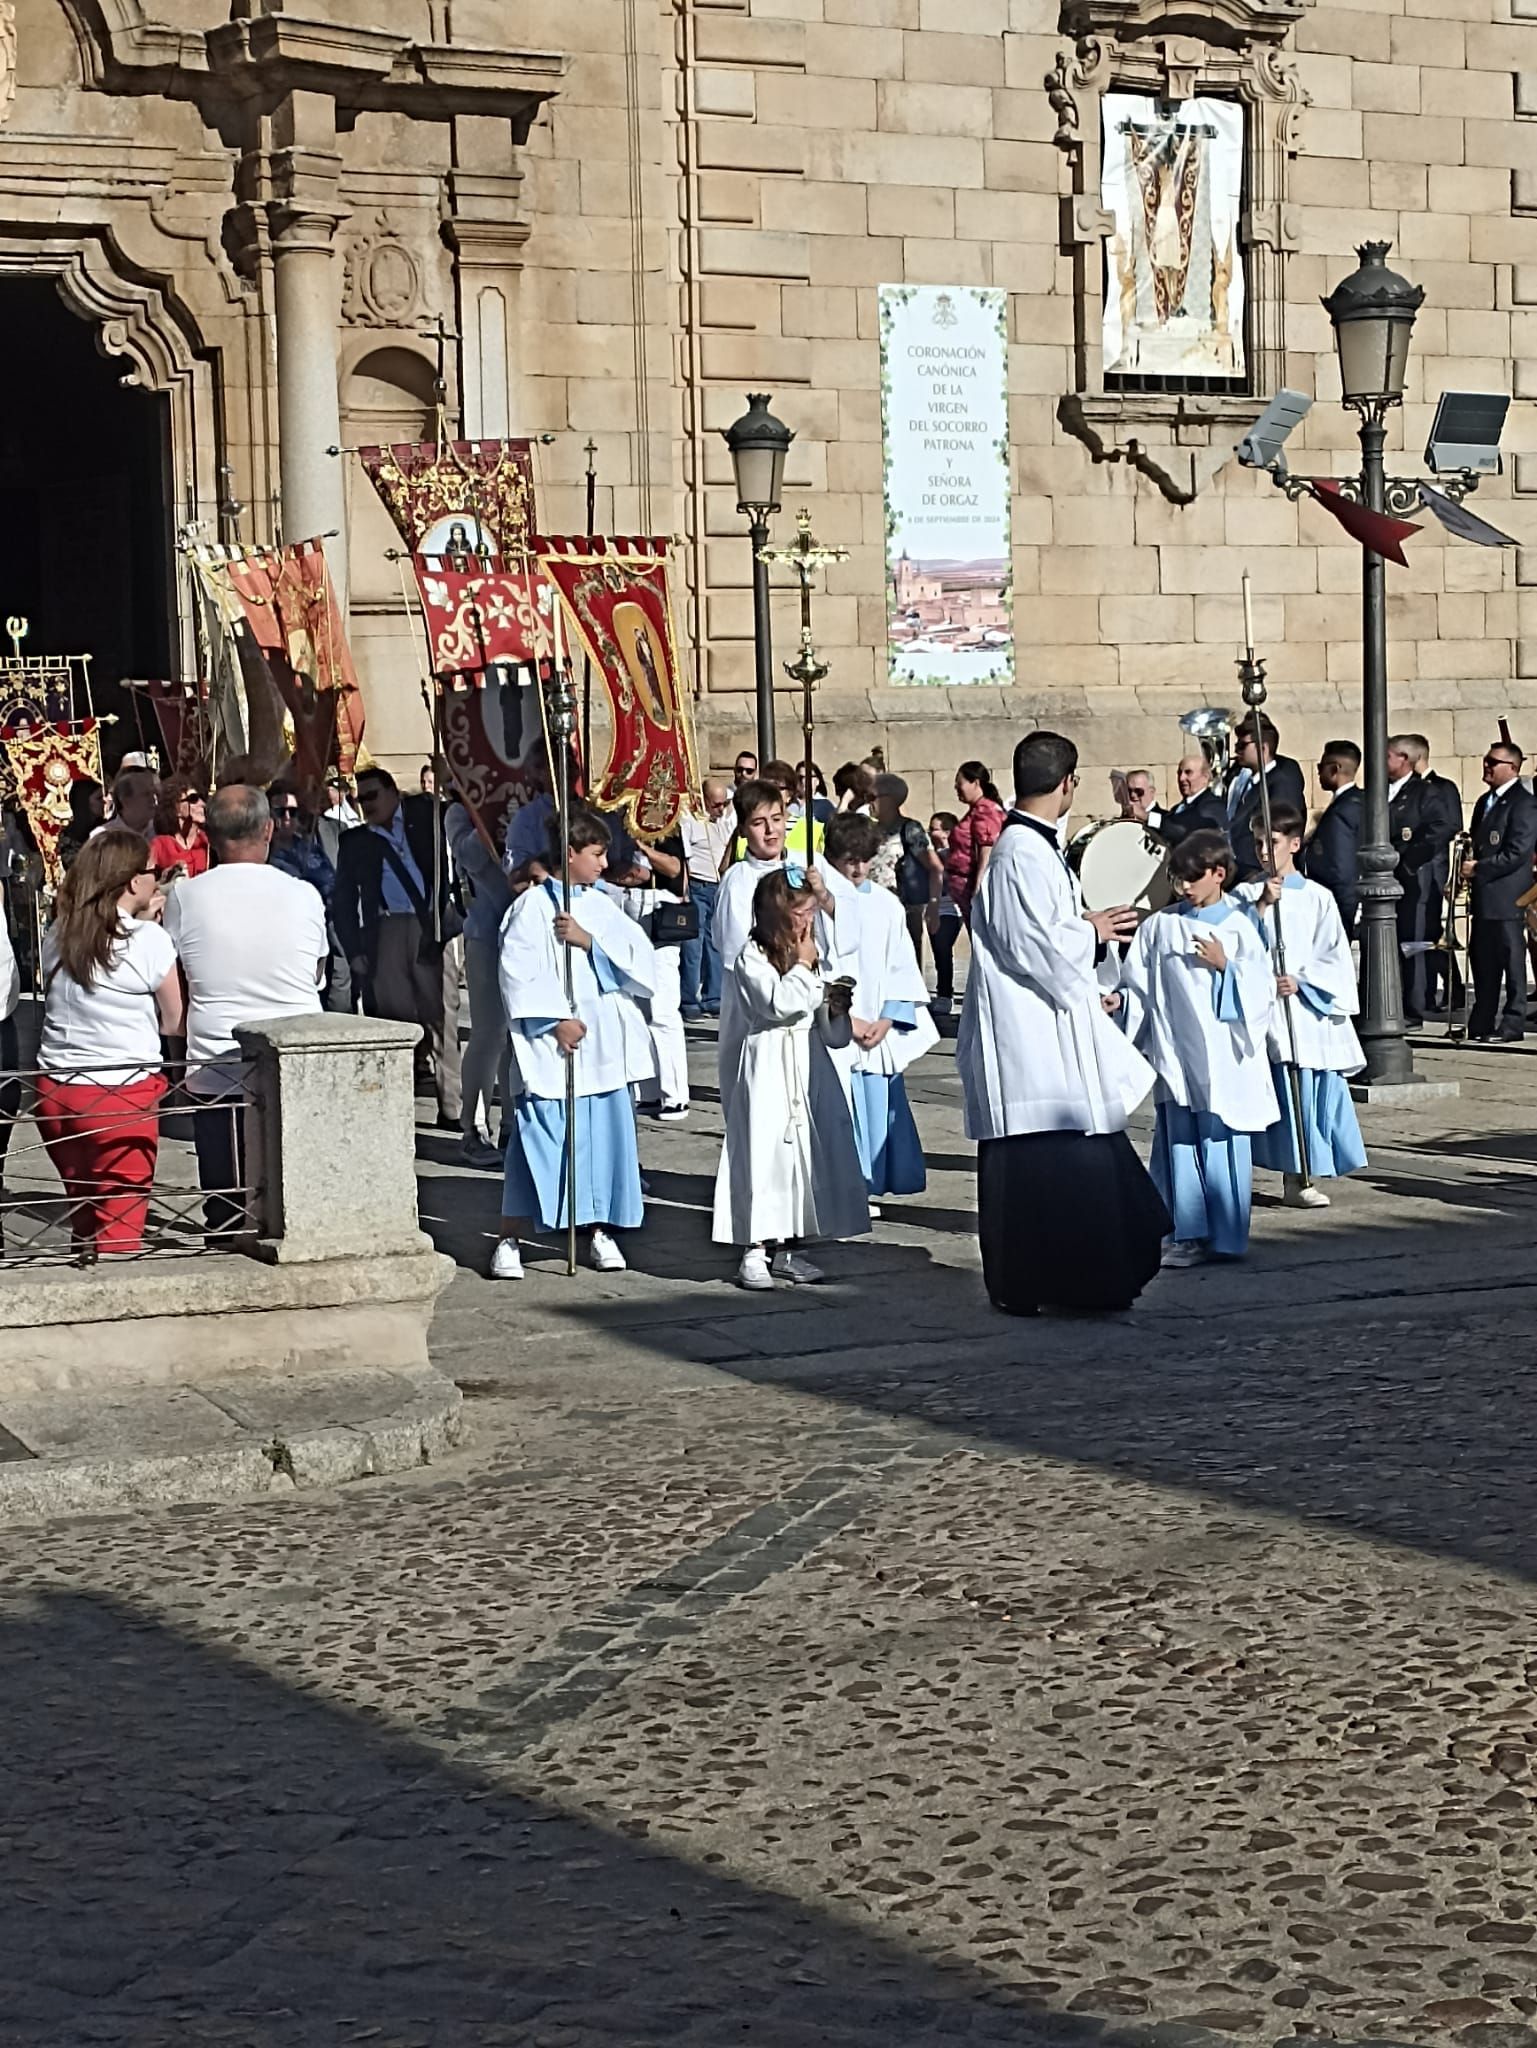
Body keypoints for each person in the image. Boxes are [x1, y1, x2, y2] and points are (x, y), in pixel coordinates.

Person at [956, 731, 1166, 1316]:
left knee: (1077, 1164)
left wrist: (1088, 978)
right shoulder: (1021, 853)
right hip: (1031, 1043)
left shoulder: (1033, 848)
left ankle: (1075, 1281)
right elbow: (1035, 946)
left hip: (1050, 1027)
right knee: (1055, 1163)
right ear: (1068, 782)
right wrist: (1091, 932)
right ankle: (1044, 1284)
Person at [491, 808, 656, 1279]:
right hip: (554, 1049)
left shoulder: (601, 906)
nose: (604, 864)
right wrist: (554, 1020)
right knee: (539, 1145)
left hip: (601, 1049)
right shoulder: (531, 908)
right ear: (570, 852)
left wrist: (589, 943)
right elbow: (517, 971)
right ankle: (509, 1237)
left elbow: (639, 962)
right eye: (597, 854)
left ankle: (599, 1229)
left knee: (602, 1146)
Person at [164, 785, 328, 1238]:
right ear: (269, 830)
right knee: (299, 1196)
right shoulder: (305, 894)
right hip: (294, 1060)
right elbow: (317, 973)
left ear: (210, 835)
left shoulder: (185, 896)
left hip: (217, 1061)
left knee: (226, 1204)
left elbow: (174, 969)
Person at [1118, 830, 1278, 1268]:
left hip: (1225, 1058)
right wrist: (1122, 1002)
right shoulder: (1161, 926)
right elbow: (1139, 984)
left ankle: (1226, 1235)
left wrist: (1227, 967)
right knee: (1181, 1143)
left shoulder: (1240, 926)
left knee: (1221, 1139)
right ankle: (1185, 1235)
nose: (1185, 887)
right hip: (1177, 1054)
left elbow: (1262, 990)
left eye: (1193, 878)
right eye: (1178, 879)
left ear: (1219, 874)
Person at [713, 869, 868, 1290]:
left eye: (811, 913)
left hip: (806, 1060)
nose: (808, 922)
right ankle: (754, 1248)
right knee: (766, 1152)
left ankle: (788, 1244)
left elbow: (829, 1033)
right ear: (777, 914)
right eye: (801, 913)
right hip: (769, 1061)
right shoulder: (751, 957)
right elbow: (777, 1005)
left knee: (803, 1155)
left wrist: (835, 1008)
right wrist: (802, 966)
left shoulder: (809, 958)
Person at [34, 829, 184, 1255]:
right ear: (134, 881)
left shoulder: (60, 931)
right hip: (119, 1096)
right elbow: (175, 1022)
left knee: (86, 1222)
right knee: (119, 1237)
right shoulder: (149, 940)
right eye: (154, 871)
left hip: (55, 1091)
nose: (158, 879)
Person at [1234, 805, 1367, 1209]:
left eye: (1272, 842)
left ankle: (1300, 1176)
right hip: (1265, 1011)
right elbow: (1234, 944)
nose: (1263, 851)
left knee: (1303, 1097)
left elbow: (1333, 955)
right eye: (1257, 842)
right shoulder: (1243, 896)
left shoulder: (1318, 897)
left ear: (1294, 845)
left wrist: (1303, 980)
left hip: (1305, 1011)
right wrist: (1260, 907)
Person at [333, 767, 463, 1126]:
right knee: (394, 1021)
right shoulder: (355, 841)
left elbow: (456, 804)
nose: (366, 804)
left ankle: (452, 1106)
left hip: (430, 925)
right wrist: (354, 951)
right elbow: (343, 901)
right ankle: (394, 1111)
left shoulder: (426, 815)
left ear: (393, 792)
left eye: (373, 795)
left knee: (443, 1016)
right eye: (360, 799)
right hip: (386, 929)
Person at [821, 813, 937, 1207]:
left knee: (877, 1110)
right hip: (837, 1027)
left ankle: (869, 1183)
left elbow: (902, 965)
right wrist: (844, 1019)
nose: (857, 869)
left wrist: (888, 1017)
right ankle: (845, 1189)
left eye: (864, 859)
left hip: (876, 1027)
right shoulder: (819, 903)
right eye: (848, 860)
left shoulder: (887, 904)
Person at [445, 797, 514, 1168]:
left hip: (527, 933)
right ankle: (473, 1126)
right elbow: (470, 856)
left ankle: (513, 1124)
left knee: (519, 1038)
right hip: (486, 933)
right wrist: (490, 815)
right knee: (489, 1034)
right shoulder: (460, 812)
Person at [1463, 739, 1537, 1042]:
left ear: (1513, 767)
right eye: (1486, 760)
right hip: (1484, 896)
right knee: (1483, 960)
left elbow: (1518, 851)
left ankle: (1512, 1023)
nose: (1486, 766)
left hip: (1509, 895)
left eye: (1493, 762)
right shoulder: (1485, 801)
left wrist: (1479, 868)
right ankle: (1482, 1020)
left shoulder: (1524, 803)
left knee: (1511, 961)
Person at [1388, 732, 1463, 1022]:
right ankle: (1414, 996)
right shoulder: (1387, 790)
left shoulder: (1435, 789)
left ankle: (1423, 999)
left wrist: (1411, 862)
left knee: (1422, 937)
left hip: (1425, 873)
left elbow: (1446, 828)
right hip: (1397, 876)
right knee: (1413, 937)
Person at [869, 773, 943, 964]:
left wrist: (933, 906)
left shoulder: (910, 829)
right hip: (874, 910)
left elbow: (935, 867)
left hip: (904, 910)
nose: (869, 803)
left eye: (872, 797)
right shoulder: (870, 831)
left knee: (906, 963)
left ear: (890, 799)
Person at [1225, 714, 1306, 880]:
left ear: (1263, 748)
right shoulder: (1249, 780)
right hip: (1241, 868)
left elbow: (1280, 831)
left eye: (1242, 745)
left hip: (1260, 870)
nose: (1237, 750)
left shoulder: (1281, 784)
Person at [679, 777, 733, 1018]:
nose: (720, 809)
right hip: (698, 885)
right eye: (715, 804)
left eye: (723, 804)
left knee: (715, 943)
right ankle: (689, 999)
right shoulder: (690, 819)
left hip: (717, 886)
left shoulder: (723, 820)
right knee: (693, 945)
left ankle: (714, 996)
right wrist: (685, 890)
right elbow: (684, 857)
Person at [1303, 741, 1363, 939]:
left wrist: (1344, 910)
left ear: (1334, 769)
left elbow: (1341, 866)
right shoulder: (1358, 801)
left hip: (1338, 900)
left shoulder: (1342, 810)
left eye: (1321, 767)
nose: (1318, 773)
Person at [946, 761, 1007, 925]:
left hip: (972, 888)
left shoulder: (985, 810)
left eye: (959, 783)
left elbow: (986, 852)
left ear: (976, 783)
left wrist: (979, 889)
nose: (956, 788)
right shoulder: (975, 810)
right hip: (963, 890)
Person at [926, 811, 963, 1014]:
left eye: (934, 829)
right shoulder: (930, 853)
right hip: (936, 907)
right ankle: (944, 993)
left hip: (954, 907)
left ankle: (945, 994)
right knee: (940, 951)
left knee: (942, 948)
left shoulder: (958, 854)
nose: (930, 832)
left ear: (947, 832)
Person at [148, 784, 210, 881]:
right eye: (193, 799)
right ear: (176, 808)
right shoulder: (160, 845)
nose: (202, 804)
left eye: (202, 799)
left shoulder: (208, 841)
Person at [1161, 755, 1227, 844]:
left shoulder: (1213, 806)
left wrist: (1150, 818)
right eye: (1179, 773)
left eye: (1188, 772)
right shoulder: (1178, 808)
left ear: (1205, 777)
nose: (1181, 778)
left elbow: (1181, 826)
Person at [58, 778, 104, 871]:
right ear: (84, 802)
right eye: (99, 798)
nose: (104, 801)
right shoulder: (69, 838)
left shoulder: (107, 828)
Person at [104, 767, 159, 842]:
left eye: (153, 792)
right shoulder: (105, 838)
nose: (153, 799)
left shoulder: (162, 828)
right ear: (126, 801)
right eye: (146, 794)